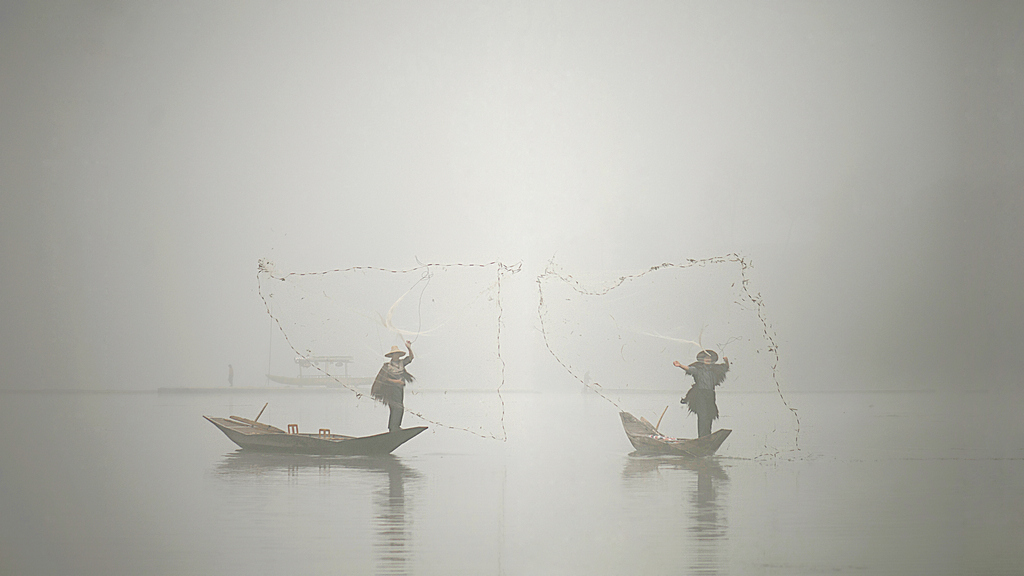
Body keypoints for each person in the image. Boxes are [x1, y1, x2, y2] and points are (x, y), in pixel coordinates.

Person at [674, 350, 729, 438]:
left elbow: (725, 368)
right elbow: (690, 369)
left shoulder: (715, 370)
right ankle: (702, 437)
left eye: (709, 358)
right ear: (702, 359)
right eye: (706, 358)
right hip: (700, 394)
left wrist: (726, 361)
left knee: (710, 415)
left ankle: (708, 436)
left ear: (712, 360)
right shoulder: (698, 369)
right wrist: (680, 365)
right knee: (702, 415)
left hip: (710, 394)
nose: (707, 360)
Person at [371, 340, 415, 432]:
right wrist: (397, 381)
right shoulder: (387, 366)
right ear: (392, 356)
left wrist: (409, 348)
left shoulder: (401, 363)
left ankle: (396, 426)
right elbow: (383, 379)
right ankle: (392, 427)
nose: (396, 356)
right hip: (390, 390)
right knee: (395, 408)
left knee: (400, 408)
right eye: (394, 354)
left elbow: (411, 358)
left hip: (399, 389)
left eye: (397, 354)